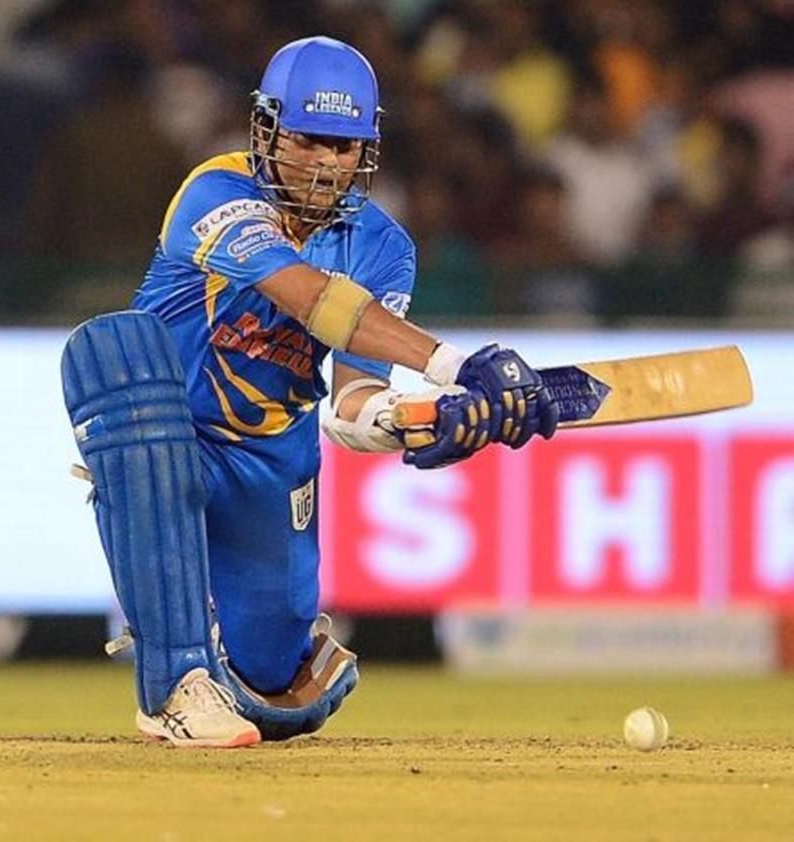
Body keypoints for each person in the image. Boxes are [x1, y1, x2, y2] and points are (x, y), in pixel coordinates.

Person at [61, 36, 558, 748]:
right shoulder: (216, 192)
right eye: (308, 139)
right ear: (266, 130)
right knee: (117, 355)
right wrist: (453, 364)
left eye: (345, 146)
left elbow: (353, 405)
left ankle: (244, 670)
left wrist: (423, 420)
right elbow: (311, 300)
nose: (326, 162)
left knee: (270, 675)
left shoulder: (383, 246)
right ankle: (175, 690)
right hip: (170, 426)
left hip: (273, 457)